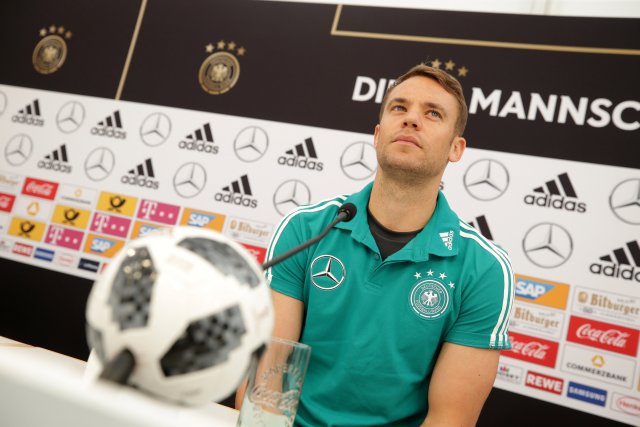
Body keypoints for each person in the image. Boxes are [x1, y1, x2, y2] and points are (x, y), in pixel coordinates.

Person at [238, 63, 514, 426]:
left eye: (433, 113)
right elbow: (265, 383)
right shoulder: (306, 228)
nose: (412, 119)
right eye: (399, 108)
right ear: (378, 133)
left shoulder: (485, 269)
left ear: (456, 148)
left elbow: (451, 418)